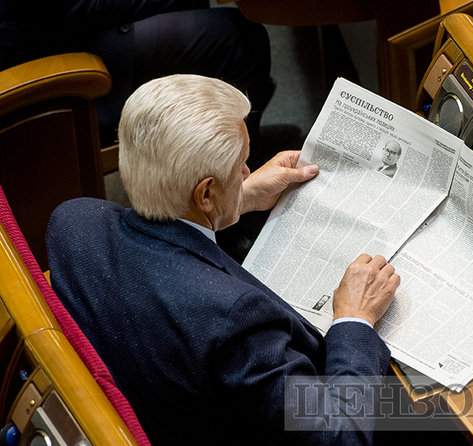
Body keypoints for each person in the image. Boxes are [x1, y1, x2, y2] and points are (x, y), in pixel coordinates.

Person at [46, 75, 400, 445]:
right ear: (205, 193)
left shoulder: (73, 224)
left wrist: (238, 198)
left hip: (158, 396)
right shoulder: (235, 321)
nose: (248, 171)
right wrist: (354, 319)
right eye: (242, 165)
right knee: (443, 411)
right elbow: (341, 438)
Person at [0, 1, 274, 154]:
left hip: (65, 27)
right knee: (239, 39)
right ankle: (235, 196)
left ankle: (202, 152)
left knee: (202, 13)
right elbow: (75, 11)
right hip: (54, 71)